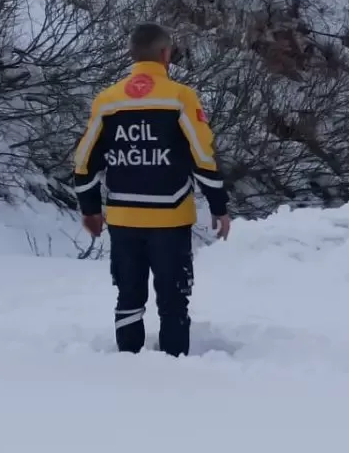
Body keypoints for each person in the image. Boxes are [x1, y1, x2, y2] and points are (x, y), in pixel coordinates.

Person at [71, 23, 230, 357]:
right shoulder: (180, 97)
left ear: (131, 55)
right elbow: (203, 156)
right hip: (170, 220)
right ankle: (173, 366)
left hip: (123, 218)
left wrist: (90, 209)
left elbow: (84, 162)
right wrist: (219, 205)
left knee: (128, 296)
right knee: (173, 299)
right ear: (166, 55)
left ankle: (128, 362)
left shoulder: (108, 101)